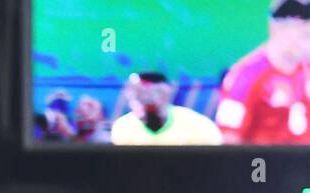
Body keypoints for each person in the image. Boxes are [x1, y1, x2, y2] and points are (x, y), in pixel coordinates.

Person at [216, 1, 310, 144]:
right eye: (304, 34)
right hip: (262, 158)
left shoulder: (306, 70)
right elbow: (229, 139)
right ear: (276, 28)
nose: (305, 42)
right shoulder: (245, 75)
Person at [110, 73, 222, 146]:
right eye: (138, 94)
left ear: (167, 93)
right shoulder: (122, 128)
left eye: (155, 93)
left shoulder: (199, 127)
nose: (146, 99)